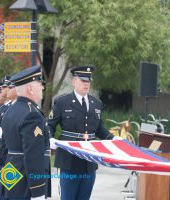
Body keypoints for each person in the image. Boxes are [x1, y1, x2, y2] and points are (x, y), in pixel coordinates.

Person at [47, 66, 117, 200]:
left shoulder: (96, 103)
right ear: (73, 81)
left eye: (88, 81)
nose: (86, 84)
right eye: (83, 80)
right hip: (68, 160)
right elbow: (49, 126)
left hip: (89, 160)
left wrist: (112, 138)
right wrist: (50, 139)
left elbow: (99, 128)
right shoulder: (62, 102)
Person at [1, 65, 51, 200]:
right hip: (26, 180)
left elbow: (5, 148)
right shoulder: (31, 114)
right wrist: (38, 191)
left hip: (10, 172)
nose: (42, 87)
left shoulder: (10, 110)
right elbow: (33, 156)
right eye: (39, 84)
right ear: (30, 88)